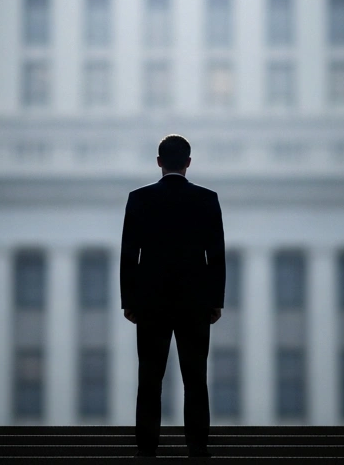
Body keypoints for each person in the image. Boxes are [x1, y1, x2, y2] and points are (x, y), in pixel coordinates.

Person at [120, 134, 225, 459]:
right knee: (195, 378)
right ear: (188, 163)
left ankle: (147, 446)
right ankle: (197, 445)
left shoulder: (139, 199)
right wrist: (215, 301)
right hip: (194, 303)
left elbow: (129, 255)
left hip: (151, 302)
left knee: (150, 377)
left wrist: (129, 301)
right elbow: (216, 255)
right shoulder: (207, 199)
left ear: (159, 162)